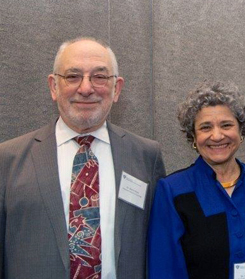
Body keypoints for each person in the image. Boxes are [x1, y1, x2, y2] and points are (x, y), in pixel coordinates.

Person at [0, 37, 166, 279]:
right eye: (73, 76)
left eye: (99, 77)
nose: (86, 88)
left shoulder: (145, 156)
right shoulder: (7, 159)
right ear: (53, 86)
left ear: (116, 88)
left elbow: (158, 244)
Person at [147, 81, 245, 279]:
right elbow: (164, 268)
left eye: (226, 125)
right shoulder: (173, 191)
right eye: (205, 127)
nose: (217, 135)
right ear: (193, 136)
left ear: (241, 131)